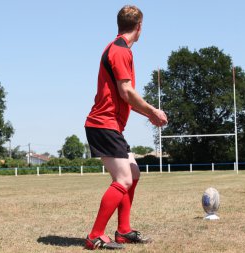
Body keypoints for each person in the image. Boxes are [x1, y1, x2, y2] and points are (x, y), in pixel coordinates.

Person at [84, 5, 168, 250]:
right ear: (139, 27)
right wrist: (153, 111)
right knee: (123, 178)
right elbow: (127, 91)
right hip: (103, 124)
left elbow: (126, 98)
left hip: (109, 125)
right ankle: (95, 235)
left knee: (133, 174)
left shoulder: (119, 49)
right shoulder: (120, 51)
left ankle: (123, 231)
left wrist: (148, 114)